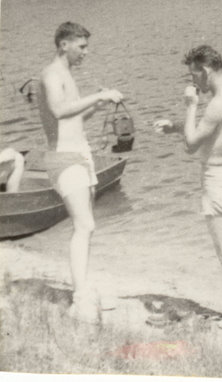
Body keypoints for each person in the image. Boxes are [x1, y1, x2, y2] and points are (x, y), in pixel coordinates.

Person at [153, 45, 222, 330]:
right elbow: (212, 134)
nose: (193, 82)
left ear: (206, 69)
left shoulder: (214, 104)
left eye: (194, 75)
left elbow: (191, 146)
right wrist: (176, 126)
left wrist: (190, 105)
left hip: (219, 179)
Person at [38, 22, 124, 323]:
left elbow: (74, 119)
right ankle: (79, 299)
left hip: (80, 156)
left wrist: (96, 106)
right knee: (84, 225)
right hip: (64, 158)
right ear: (64, 45)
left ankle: (84, 288)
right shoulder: (51, 75)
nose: (86, 53)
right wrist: (99, 97)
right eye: (82, 46)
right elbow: (60, 111)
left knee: (87, 227)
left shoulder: (66, 75)